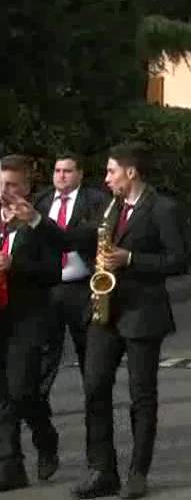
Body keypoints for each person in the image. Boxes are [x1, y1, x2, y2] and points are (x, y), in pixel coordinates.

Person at [15, 144, 186, 500]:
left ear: (131, 172)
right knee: (94, 387)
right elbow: (70, 238)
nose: (106, 179)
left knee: (142, 394)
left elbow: (178, 260)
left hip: (143, 313)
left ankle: (138, 471)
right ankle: (102, 469)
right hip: (104, 310)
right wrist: (34, 218)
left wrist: (131, 258)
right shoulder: (111, 207)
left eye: (111, 172)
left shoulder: (162, 208)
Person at [0, 155, 62, 491]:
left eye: (11, 185)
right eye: (0, 184)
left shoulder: (38, 224)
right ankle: (10, 466)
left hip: (28, 318)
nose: (4, 191)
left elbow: (53, 272)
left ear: (26, 187)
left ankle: (45, 437)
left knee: (23, 391)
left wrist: (14, 266)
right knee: (2, 396)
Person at [34, 154, 107, 408]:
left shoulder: (95, 200)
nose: (61, 176)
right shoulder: (42, 200)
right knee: (47, 348)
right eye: (57, 170)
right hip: (50, 286)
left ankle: (95, 399)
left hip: (82, 285)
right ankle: (39, 401)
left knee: (86, 346)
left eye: (67, 171)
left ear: (80, 174)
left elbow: (96, 233)